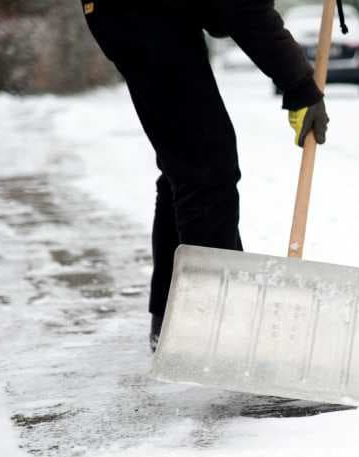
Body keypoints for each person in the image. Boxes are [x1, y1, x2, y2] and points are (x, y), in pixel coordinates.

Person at [82, 0, 330, 351]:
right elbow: (239, 7)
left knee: (189, 162)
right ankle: (212, 328)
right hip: (139, 14)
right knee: (204, 166)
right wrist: (300, 86)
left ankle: (173, 316)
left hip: (140, 14)